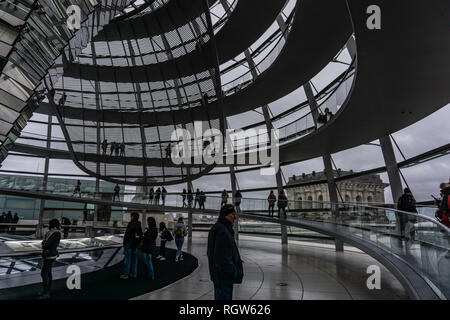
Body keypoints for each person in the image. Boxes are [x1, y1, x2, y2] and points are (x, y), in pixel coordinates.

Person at [207, 204, 243, 300]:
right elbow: (221, 257)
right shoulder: (222, 231)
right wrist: (232, 271)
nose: (235, 217)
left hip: (221, 277)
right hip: (223, 278)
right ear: (225, 215)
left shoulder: (220, 228)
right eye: (232, 214)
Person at [39, 218, 62, 299]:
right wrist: (44, 242)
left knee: (44, 273)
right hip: (51, 254)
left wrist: (44, 243)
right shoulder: (53, 233)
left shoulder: (55, 233)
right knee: (48, 272)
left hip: (49, 255)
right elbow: (45, 242)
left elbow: (45, 244)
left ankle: (46, 292)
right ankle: (47, 290)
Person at [120, 212, 142, 279]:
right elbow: (140, 234)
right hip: (135, 245)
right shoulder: (139, 224)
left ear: (132, 217)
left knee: (128, 259)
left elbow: (127, 234)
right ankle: (134, 273)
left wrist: (124, 243)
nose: (130, 217)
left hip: (129, 244)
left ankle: (126, 274)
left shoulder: (131, 223)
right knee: (135, 259)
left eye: (131, 216)